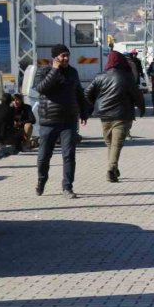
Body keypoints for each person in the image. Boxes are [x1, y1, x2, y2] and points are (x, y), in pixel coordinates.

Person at [33, 44, 91, 199]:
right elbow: (41, 88)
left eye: (67, 55)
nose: (66, 58)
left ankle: (67, 187)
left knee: (69, 155)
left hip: (69, 120)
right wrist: (55, 70)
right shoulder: (43, 71)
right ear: (55, 57)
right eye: (62, 55)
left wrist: (84, 112)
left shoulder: (72, 72)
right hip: (48, 120)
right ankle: (41, 180)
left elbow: (79, 92)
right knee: (44, 156)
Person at [85, 51, 145, 182]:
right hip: (122, 115)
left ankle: (113, 167)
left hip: (104, 116)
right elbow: (137, 95)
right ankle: (111, 169)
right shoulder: (127, 76)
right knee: (116, 144)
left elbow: (87, 93)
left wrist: (91, 107)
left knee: (110, 143)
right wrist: (142, 108)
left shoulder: (100, 76)